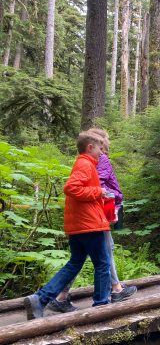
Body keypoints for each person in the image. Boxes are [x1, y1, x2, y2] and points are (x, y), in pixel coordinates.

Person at [46, 129, 136, 313]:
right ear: (93, 145)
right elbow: (93, 185)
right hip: (93, 214)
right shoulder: (96, 160)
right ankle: (107, 296)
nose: (104, 147)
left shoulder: (92, 159)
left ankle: (59, 296)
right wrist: (104, 196)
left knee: (87, 256)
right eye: (102, 144)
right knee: (103, 254)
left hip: (92, 214)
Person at [24, 131, 111, 320]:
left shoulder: (84, 164)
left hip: (80, 224)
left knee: (74, 263)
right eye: (99, 149)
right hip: (89, 225)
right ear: (90, 147)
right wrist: (99, 191)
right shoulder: (85, 164)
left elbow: (78, 192)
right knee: (103, 264)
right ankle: (101, 305)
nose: (101, 154)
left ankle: (41, 298)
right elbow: (71, 188)